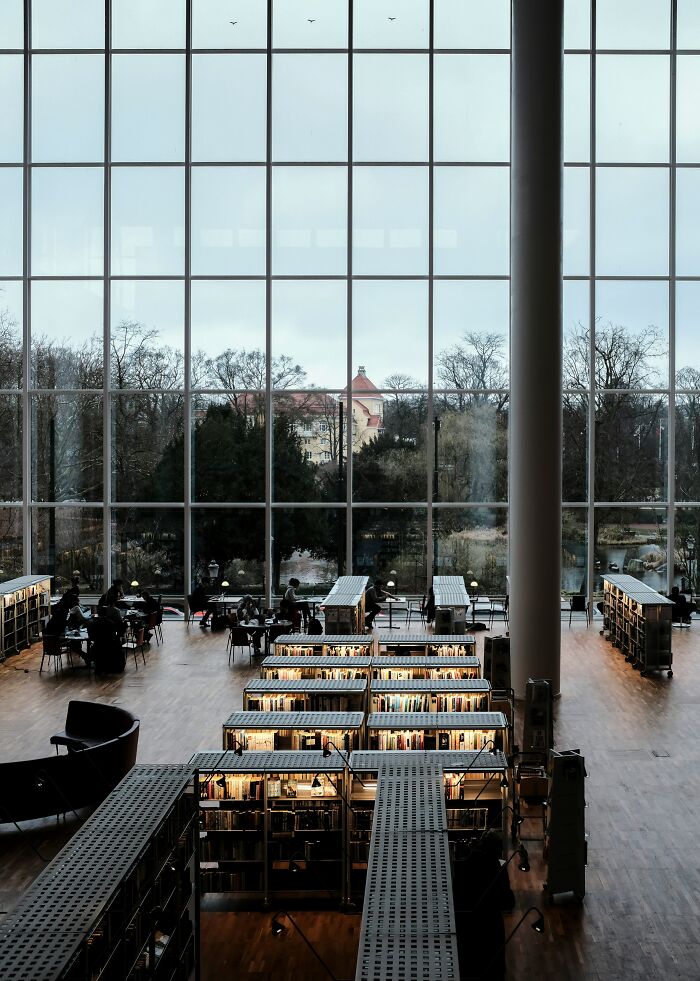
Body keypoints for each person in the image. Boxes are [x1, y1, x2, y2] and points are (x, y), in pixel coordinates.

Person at [452, 832, 515, 980]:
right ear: (496, 850)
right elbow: (508, 902)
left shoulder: (463, 865)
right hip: (490, 927)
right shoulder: (498, 868)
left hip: (467, 928)